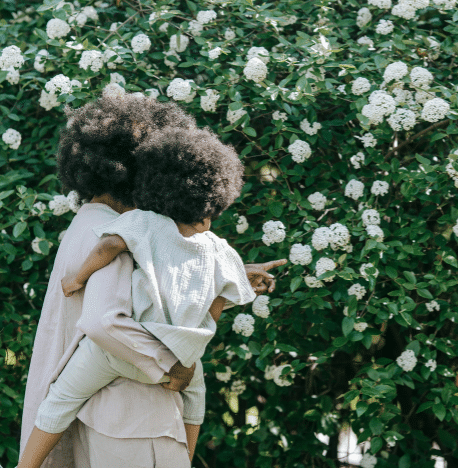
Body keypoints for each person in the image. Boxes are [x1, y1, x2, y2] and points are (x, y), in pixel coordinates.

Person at [17, 95, 282, 468]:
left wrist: (229, 270)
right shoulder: (111, 230)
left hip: (114, 417)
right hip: (130, 425)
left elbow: (164, 272)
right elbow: (103, 320)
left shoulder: (92, 224)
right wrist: (174, 364)